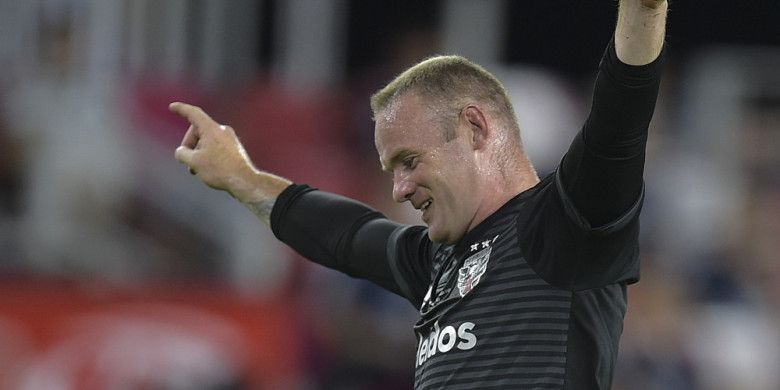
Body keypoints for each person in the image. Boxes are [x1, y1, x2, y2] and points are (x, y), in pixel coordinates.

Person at [171, 0, 668, 388]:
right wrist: (240, 176)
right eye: (391, 169)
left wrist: (643, 11)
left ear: (474, 127)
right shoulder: (435, 262)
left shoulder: (567, 226)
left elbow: (618, 119)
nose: (400, 188)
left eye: (410, 161)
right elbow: (346, 235)